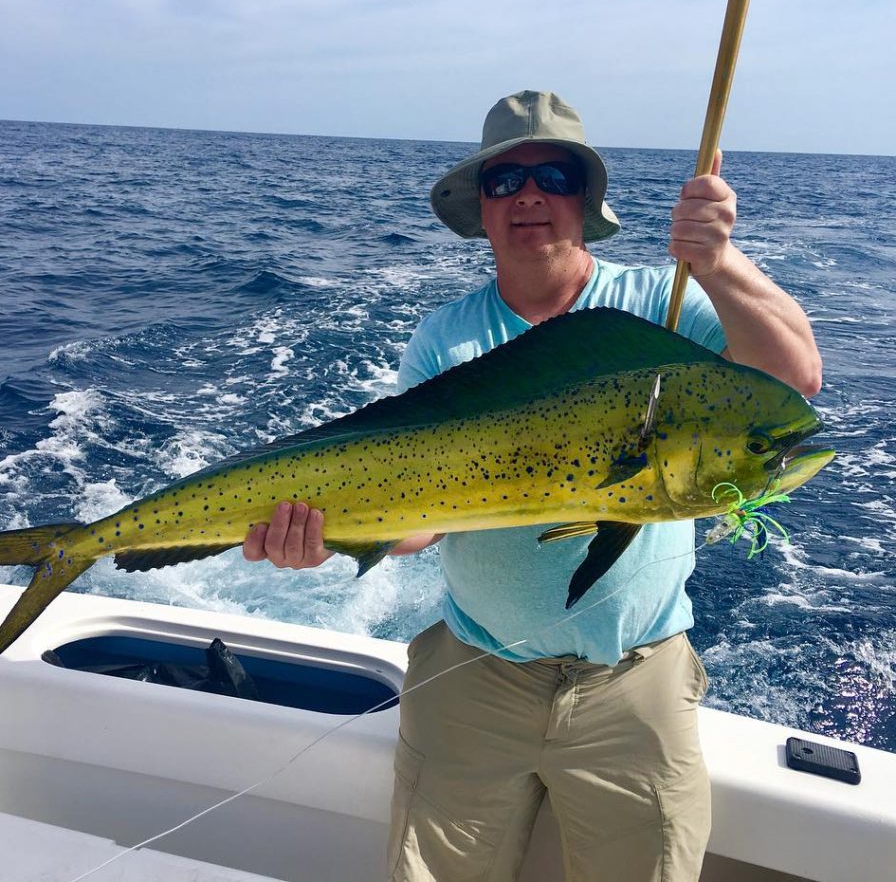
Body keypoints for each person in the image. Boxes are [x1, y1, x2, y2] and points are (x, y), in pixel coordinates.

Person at [243, 90, 822, 881]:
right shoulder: (448, 337)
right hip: (474, 678)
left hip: (635, 685)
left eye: (551, 174)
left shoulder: (664, 306)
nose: (529, 196)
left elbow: (794, 381)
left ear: (584, 201)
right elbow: (422, 522)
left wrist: (720, 262)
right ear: (479, 210)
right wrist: (328, 533)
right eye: (504, 182)